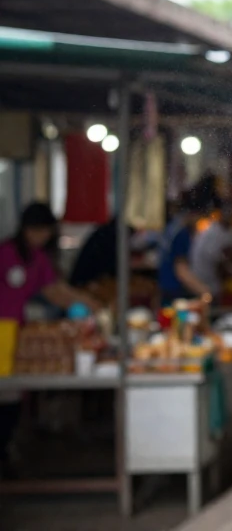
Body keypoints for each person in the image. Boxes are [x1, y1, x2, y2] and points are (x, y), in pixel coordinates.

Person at [0, 203, 98, 477]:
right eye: (39, 231)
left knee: (12, 396)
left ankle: (6, 450)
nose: (42, 237)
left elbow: (55, 290)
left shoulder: (38, 258)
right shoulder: (6, 253)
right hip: (3, 334)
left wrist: (86, 302)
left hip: (22, 336)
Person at [158, 192, 213, 306]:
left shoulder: (172, 227)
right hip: (176, 292)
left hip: (166, 288)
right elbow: (181, 270)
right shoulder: (182, 234)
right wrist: (203, 291)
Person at [190, 202, 232, 304]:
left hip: (211, 284)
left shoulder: (228, 231)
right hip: (203, 283)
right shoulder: (213, 232)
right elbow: (219, 263)